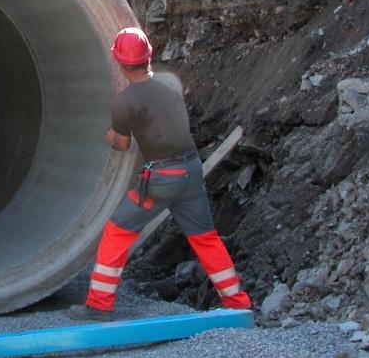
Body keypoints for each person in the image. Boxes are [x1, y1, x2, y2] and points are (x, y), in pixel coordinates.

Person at [68, 28, 251, 322]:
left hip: (163, 179)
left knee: (117, 230)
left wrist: (110, 136)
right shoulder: (170, 85)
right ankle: (238, 303)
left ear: (119, 61)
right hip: (192, 171)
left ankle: (99, 305)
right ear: (148, 56)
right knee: (205, 238)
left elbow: (124, 143)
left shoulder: (124, 101)